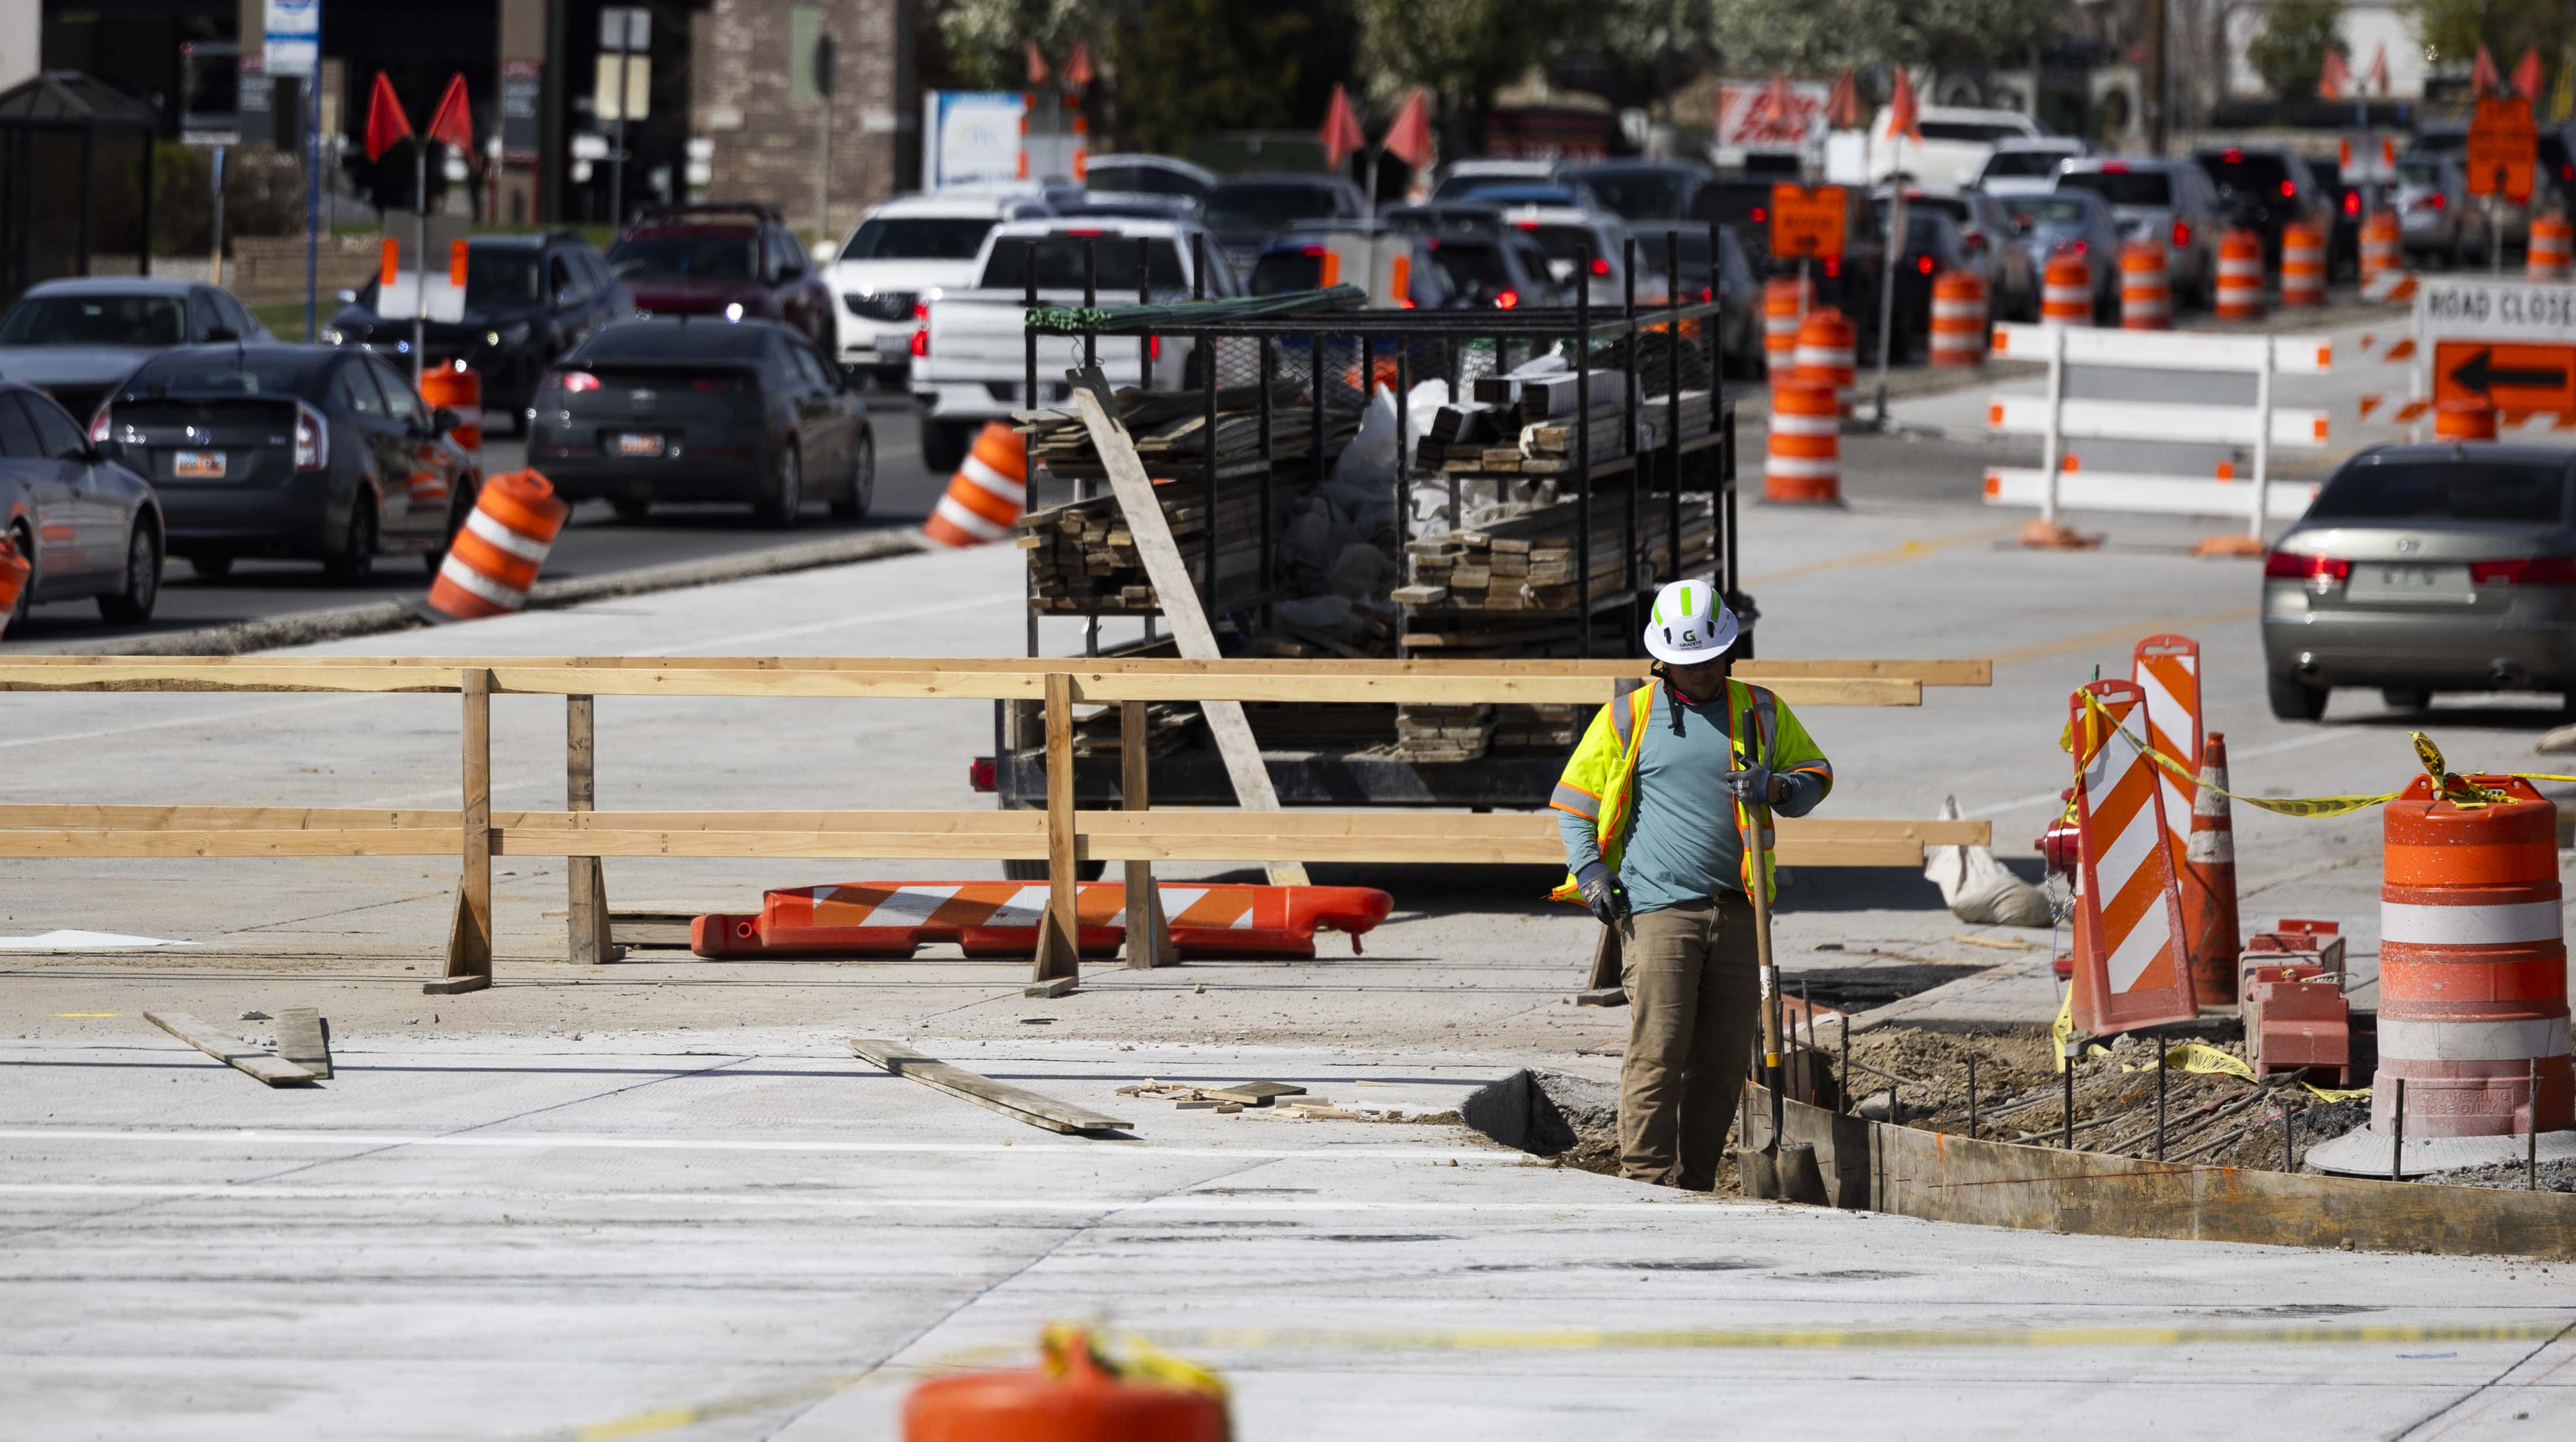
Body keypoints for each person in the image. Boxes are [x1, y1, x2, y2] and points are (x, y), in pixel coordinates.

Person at [1548, 578, 1834, 1188]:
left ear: (1727, 651)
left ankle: (1696, 1180)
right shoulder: (1629, 716)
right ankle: (1648, 1177)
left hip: (1738, 910)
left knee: (1724, 1061)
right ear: (1662, 660)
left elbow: (1816, 774)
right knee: (1660, 1048)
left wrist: (1778, 787)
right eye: (1686, 662)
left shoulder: (1759, 709)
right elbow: (1575, 802)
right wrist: (1592, 870)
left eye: (1708, 659)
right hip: (1659, 910)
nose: (1700, 672)